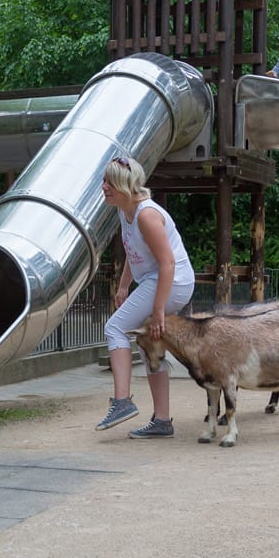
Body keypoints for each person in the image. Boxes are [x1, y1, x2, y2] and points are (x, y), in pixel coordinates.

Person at [95, 156, 195, 438]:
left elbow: (168, 264)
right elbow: (132, 250)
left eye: (109, 182)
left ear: (125, 185)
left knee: (114, 327)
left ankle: (122, 401)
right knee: (149, 345)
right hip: (157, 280)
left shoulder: (147, 215)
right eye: (104, 180)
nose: (103, 187)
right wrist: (124, 285)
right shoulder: (124, 211)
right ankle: (162, 421)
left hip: (172, 281)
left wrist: (159, 310)